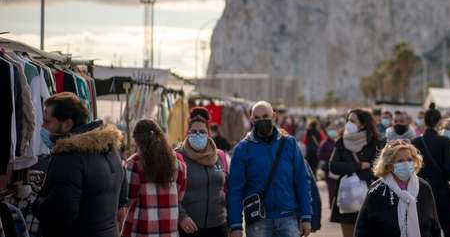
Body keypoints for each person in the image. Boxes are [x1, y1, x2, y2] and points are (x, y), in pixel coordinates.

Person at [33, 92, 126, 237]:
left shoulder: (68, 156)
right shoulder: (111, 150)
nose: (43, 126)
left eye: (47, 121)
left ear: (67, 124)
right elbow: (121, 200)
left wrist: (37, 203)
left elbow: (60, 212)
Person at [227, 101, 312, 237]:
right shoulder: (242, 149)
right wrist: (236, 224)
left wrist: (306, 215)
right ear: (251, 120)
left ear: (274, 116)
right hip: (258, 221)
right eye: (257, 118)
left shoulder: (289, 143)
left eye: (265, 116)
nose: (262, 120)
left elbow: (302, 180)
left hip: (288, 218)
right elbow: (235, 190)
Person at [353, 140, 441, 237]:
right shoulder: (377, 190)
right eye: (400, 161)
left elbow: (434, 228)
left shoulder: (424, 187)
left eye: (409, 159)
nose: (406, 164)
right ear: (389, 164)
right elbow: (362, 231)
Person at [122, 119, 188, 237]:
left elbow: (127, 200)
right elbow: (180, 195)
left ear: (137, 141)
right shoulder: (177, 162)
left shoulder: (134, 163)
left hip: (141, 231)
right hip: (170, 231)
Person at [330, 109, 384, 237]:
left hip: (369, 197)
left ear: (363, 124)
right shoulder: (341, 142)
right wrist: (358, 165)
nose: (349, 123)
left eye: (353, 121)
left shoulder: (376, 143)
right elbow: (333, 166)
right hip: (347, 196)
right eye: (348, 120)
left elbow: (380, 168)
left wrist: (363, 173)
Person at [177, 108, 229, 237]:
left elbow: (227, 189)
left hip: (219, 226)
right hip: (189, 227)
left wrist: (233, 222)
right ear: (187, 133)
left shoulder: (220, 156)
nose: (198, 135)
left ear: (208, 133)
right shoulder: (178, 156)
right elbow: (170, 192)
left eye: (202, 132)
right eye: (194, 132)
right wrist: (181, 216)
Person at [412, 104, 450, 237]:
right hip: (441, 192)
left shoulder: (415, 141)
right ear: (439, 122)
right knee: (449, 228)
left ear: (424, 121)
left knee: (424, 229)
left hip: (419, 191)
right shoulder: (444, 141)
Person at [318, 122, 340, 206]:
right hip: (328, 169)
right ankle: (331, 205)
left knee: (338, 189)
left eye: (334, 130)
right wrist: (330, 155)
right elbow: (319, 155)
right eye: (331, 130)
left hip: (338, 168)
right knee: (331, 189)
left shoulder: (339, 142)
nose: (333, 132)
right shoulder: (324, 143)